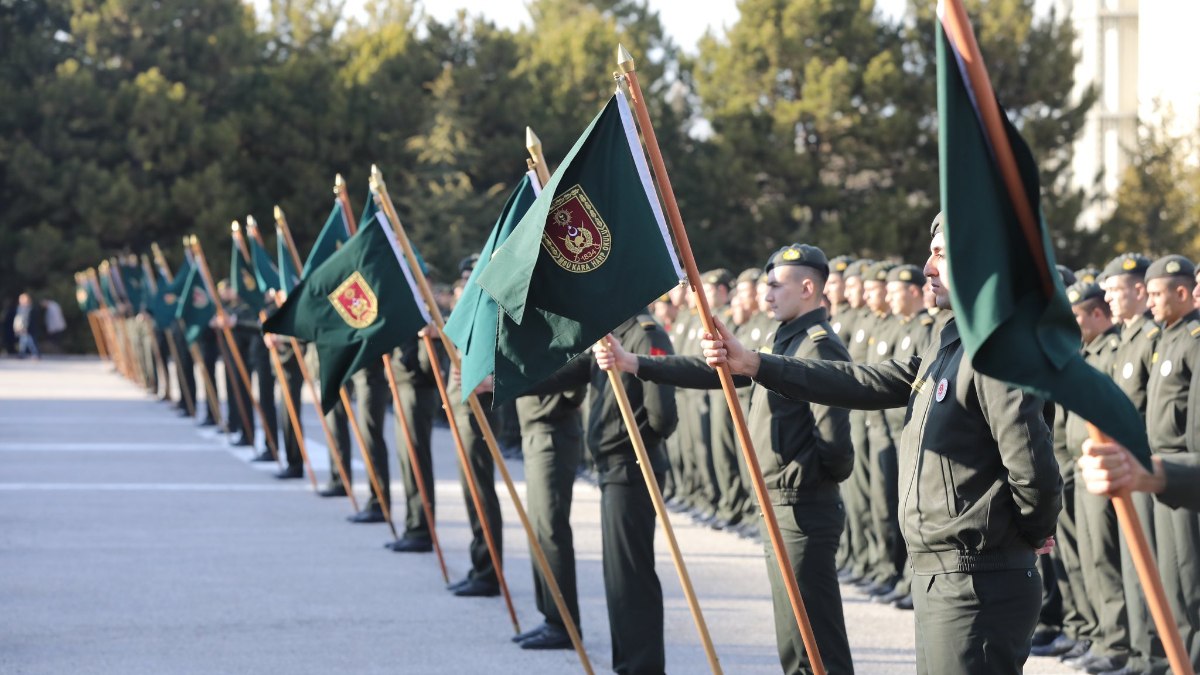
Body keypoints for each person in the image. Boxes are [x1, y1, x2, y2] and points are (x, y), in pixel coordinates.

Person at [700, 213, 1061, 674]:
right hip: (942, 571)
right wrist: (756, 364)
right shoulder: (949, 343)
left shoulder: (999, 349)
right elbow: (863, 381)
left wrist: (1023, 536)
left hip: (978, 577)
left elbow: (1033, 468)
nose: (928, 269)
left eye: (941, 256)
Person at [596, 244, 856, 675]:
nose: (766, 295)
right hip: (778, 503)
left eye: (776, 286)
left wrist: (806, 482)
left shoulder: (818, 347)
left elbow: (835, 445)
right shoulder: (784, 339)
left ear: (808, 288)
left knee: (818, 642)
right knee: (794, 641)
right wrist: (634, 363)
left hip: (802, 505)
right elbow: (711, 371)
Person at [528, 313, 678, 675]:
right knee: (618, 578)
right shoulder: (609, 334)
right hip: (613, 467)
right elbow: (569, 373)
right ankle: (628, 663)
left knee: (632, 577)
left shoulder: (646, 334)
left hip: (633, 464)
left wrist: (637, 439)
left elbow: (663, 415)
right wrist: (504, 384)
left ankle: (641, 667)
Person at [1141, 254, 1200, 667]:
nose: (1151, 303)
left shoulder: (1194, 338)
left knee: (1188, 583)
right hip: (1161, 465)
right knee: (1170, 581)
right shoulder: (1168, 336)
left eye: (1158, 293)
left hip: (1185, 467)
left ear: (1182, 293)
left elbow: (1194, 420)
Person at [510, 382, 586, 650]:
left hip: (553, 431)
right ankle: (550, 616)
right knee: (539, 532)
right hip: (534, 430)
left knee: (551, 531)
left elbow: (575, 387)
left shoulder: (556, 339)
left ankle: (563, 624)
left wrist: (550, 403)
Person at [13, 293, 41, 359]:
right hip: (21, 327)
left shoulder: (29, 308)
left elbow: (28, 319)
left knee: (30, 341)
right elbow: (18, 318)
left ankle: (35, 354)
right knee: (23, 341)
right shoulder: (19, 308)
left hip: (27, 327)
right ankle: (22, 354)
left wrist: (26, 327)